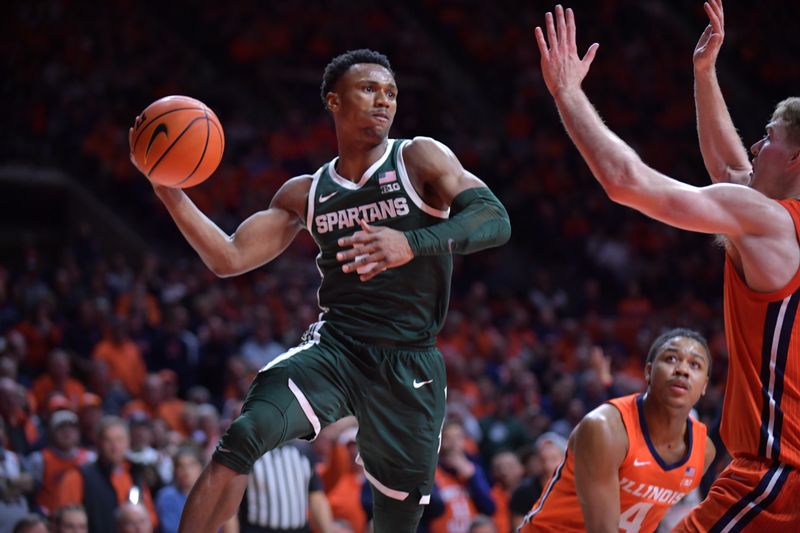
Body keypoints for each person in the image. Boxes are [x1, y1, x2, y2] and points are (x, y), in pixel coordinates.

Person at [130, 48, 511, 533]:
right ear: (333, 101)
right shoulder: (306, 191)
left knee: (397, 520)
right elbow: (228, 257)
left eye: (391, 93)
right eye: (369, 90)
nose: (384, 102)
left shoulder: (418, 158)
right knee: (246, 434)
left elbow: (494, 219)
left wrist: (411, 242)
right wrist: (168, 190)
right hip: (337, 348)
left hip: (410, 362)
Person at [533, 3, 800, 529]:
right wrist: (705, 75)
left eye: (769, 138)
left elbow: (626, 181)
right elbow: (729, 171)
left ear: (796, 160)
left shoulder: (772, 224)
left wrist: (567, 93)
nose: (756, 144)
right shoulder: (775, 221)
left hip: (779, 476)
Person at [518, 329, 715, 532]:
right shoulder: (604, 428)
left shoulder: (703, 453)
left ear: (704, 386)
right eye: (671, 358)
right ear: (648, 372)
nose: (682, 369)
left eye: (695, 364)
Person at [56, 416, 158, 532]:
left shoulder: (134, 474)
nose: (115, 447)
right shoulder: (79, 476)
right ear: (98, 443)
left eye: (119, 440)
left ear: (128, 442)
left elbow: (150, 518)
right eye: (108, 440)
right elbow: (66, 523)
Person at [239, 441, 333, 533]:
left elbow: (316, 497)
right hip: (257, 528)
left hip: (299, 529)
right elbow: (232, 504)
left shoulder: (303, 450)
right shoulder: (248, 451)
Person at [25, 409, 95, 516]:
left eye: (71, 428)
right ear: (51, 433)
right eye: (61, 428)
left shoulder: (90, 458)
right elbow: (28, 495)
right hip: (49, 520)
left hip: (82, 520)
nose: (67, 432)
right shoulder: (40, 459)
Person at [155, 447, 203, 533]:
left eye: (191, 465)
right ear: (174, 470)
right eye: (181, 466)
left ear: (201, 468)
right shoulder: (166, 496)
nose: (186, 471)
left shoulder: (212, 495)